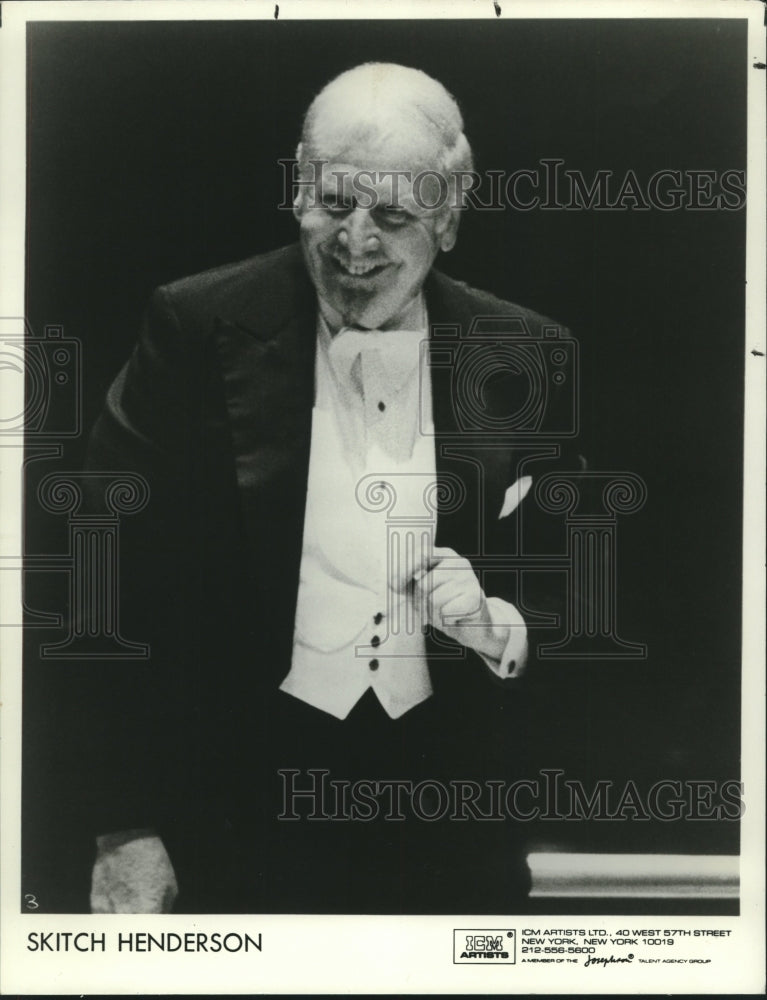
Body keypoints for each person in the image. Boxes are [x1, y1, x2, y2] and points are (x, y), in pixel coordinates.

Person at [83, 63, 578, 914]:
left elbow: (588, 583)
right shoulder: (192, 326)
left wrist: (501, 624)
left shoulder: (525, 353)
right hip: (233, 823)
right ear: (299, 185)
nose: (354, 242)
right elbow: (96, 580)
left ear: (449, 219)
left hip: (451, 825)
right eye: (333, 203)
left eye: (392, 215)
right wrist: (121, 826)